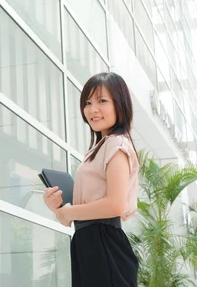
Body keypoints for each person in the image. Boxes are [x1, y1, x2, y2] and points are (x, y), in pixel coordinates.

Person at [43, 72, 140, 287]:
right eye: (87, 102)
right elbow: (70, 218)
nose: (92, 109)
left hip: (103, 241)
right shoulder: (98, 148)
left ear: (120, 104)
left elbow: (115, 205)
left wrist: (69, 212)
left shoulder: (117, 144)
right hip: (87, 240)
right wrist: (58, 208)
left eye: (102, 101)